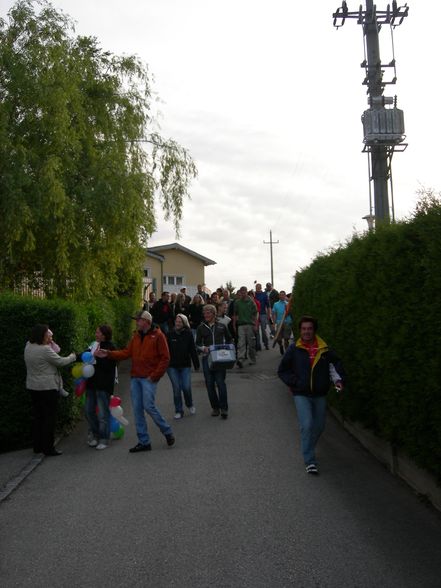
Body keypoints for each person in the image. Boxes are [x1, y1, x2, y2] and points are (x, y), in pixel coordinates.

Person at [98, 311, 174, 452]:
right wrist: (108, 354)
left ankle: (167, 431)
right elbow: (127, 353)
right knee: (137, 410)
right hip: (136, 377)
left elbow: (165, 358)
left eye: (138, 320)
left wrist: (154, 376)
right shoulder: (136, 336)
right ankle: (144, 442)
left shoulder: (158, 336)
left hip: (148, 378)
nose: (136, 323)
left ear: (146, 321)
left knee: (148, 406)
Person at [277, 316, 344, 475]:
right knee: (307, 425)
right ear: (300, 331)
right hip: (301, 393)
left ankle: (308, 447)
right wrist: (295, 382)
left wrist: (339, 381)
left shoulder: (324, 349)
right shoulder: (294, 348)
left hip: (319, 393)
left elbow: (335, 365)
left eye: (309, 329)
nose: (307, 332)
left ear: (314, 330)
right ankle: (309, 460)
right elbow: (282, 370)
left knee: (319, 426)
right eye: (304, 329)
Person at [24, 324, 76, 456]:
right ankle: (48, 448)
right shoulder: (44, 350)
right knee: (49, 418)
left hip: (33, 387)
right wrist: (73, 356)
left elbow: (54, 351)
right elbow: (60, 361)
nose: (49, 337)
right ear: (41, 335)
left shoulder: (28, 346)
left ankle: (38, 447)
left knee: (38, 417)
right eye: (47, 335)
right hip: (47, 388)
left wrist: (50, 343)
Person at [83, 325, 117, 450]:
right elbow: (84, 355)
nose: (96, 334)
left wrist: (98, 357)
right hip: (91, 384)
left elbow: (109, 367)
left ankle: (104, 438)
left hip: (103, 385)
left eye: (98, 332)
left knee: (103, 414)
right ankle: (96, 434)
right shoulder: (93, 345)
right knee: (88, 410)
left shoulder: (110, 348)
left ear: (104, 335)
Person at [196, 304, 232, 419]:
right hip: (207, 359)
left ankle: (224, 409)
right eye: (204, 313)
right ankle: (215, 408)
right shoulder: (201, 328)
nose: (206, 315)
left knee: (221, 383)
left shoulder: (222, 326)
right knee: (210, 384)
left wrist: (226, 348)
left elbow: (230, 339)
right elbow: (197, 344)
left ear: (214, 313)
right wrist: (203, 348)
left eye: (208, 313)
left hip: (220, 358)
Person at [166, 314, 199, 419]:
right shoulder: (169, 334)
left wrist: (196, 364)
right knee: (176, 389)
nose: (178, 323)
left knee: (186, 387)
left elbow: (192, 350)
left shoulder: (188, 334)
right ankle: (179, 410)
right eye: (176, 321)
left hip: (185, 365)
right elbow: (165, 351)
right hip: (172, 366)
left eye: (180, 322)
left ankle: (189, 404)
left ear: (184, 323)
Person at [233, 286, 258, 367]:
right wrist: (234, 324)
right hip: (241, 325)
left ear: (246, 292)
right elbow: (235, 314)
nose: (243, 294)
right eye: (242, 292)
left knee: (251, 344)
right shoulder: (237, 302)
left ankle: (252, 359)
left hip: (250, 324)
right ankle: (240, 359)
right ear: (240, 292)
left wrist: (255, 324)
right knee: (241, 343)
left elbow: (255, 313)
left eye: (244, 292)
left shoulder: (251, 302)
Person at [272, 290, 293, 355]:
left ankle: (287, 352)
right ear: (279, 296)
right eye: (280, 295)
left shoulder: (288, 304)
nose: (282, 296)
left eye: (283, 295)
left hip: (287, 322)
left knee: (286, 338)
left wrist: (288, 311)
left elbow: (291, 313)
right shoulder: (276, 304)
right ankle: (281, 345)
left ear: (285, 296)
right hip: (279, 323)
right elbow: (274, 314)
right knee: (278, 339)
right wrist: (274, 323)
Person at [254, 283, 271, 350]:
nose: (257, 288)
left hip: (263, 314)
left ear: (261, 287)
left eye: (258, 287)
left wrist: (269, 314)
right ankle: (258, 345)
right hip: (255, 314)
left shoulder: (264, 294)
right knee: (257, 330)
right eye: (256, 287)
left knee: (263, 330)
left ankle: (266, 344)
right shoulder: (254, 295)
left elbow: (268, 305)